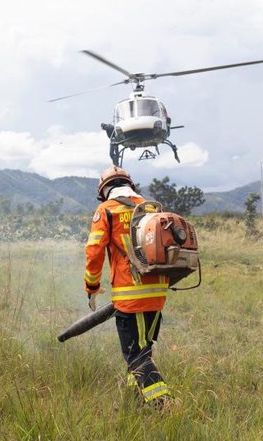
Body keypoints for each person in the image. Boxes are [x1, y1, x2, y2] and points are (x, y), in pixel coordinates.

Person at [84, 166, 171, 408]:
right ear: (129, 185)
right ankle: (134, 400)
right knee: (143, 351)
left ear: (104, 190)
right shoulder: (151, 207)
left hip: (130, 299)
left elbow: (94, 251)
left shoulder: (106, 210)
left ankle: (163, 405)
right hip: (157, 295)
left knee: (136, 356)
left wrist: (92, 286)